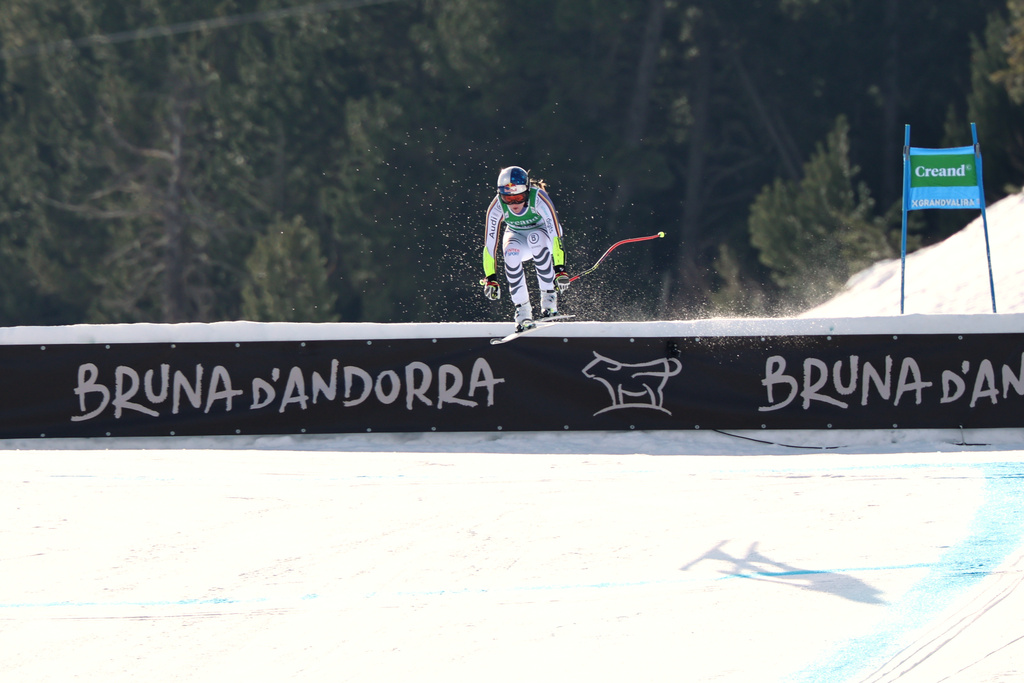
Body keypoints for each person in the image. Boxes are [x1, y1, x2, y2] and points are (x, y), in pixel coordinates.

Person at [481, 166, 570, 331]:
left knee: (535, 238)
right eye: (508, 199)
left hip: (543, 234)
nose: (514, 204)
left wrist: (560, 269)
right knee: (510, 253)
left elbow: (555, 235)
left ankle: (549, 303)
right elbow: (489, 245)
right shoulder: (497, 205)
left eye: (519, 197)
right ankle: (522, 313)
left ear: (527, 192)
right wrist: (491, 278)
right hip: (517, 234)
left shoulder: (539, 198)